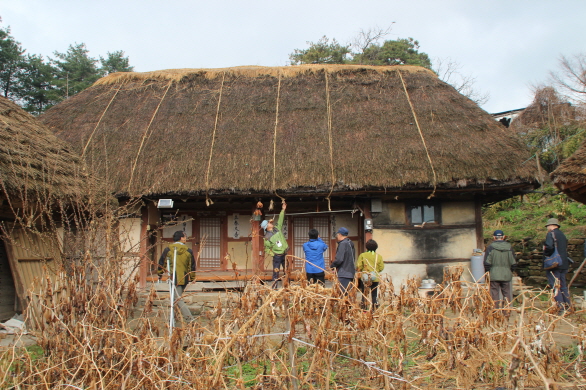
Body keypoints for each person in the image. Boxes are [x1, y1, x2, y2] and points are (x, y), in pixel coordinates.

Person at [158, 230, 196, 323]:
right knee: (176, 298)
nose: (186, 238)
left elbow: (162, 263)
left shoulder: (168, 249)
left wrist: (160, 274)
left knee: (177, 299)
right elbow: (192, 265)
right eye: (185, 237)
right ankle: (173, 319)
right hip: (184, 277)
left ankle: (190, 320)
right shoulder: (188, 251)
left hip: (173, 277)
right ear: (181, 238)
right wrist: (192, 277)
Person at [543, 218, 571, 314]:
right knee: (563, 286)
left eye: (548, 226)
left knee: (556, 286)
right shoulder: (562, 235)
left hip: (554, 264)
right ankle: (568, 307)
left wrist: (546, 252)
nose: (547, 228)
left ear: (551, 226)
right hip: (564, 263)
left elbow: (549, 247)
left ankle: (560, 308)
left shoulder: (551, 234)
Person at [484, 230, 516, 312]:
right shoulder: (509, 247)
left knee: (494, 293)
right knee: (507, 293)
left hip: (494, 274)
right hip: (507, 274)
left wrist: (488, 272)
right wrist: (510, 271)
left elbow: (487, 262)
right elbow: (513, 263)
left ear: (494, 237)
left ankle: (495, 311)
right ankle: (507, 311)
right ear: (503, 237)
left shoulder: (490, 247)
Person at [261, 202, 289, 287]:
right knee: (276, 272)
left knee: (287, 271)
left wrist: (283, 210)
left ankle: (288, 286)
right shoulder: (267, 237)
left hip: (285, 253)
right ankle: (274, 287)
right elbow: (266, 248)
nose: (271, 223)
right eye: (269, 223)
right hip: (277, 256)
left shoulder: (277, 229)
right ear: (267, 227)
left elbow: (280, 219)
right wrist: (274, 254)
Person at [356, 239, 384, 310]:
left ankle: (364, 309)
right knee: (374, 294)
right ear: (376, 247)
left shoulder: (362, 255)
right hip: (375, 278)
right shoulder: (379, 256)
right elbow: (381, 267)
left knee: (364, 294)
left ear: (366, 247)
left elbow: (359, 266)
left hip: (365, 278)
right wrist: (376, 271)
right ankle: (374, 309)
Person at [331, 227, 355, 295]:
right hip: (350, 272)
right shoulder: (350, 243)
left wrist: (332, 266)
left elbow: (339, 259)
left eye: (337, 234)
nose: (337, 236)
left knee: (342, 294)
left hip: (344, 272)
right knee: (348, 294)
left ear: (340, 234)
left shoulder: (343, 244)